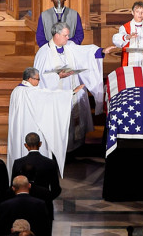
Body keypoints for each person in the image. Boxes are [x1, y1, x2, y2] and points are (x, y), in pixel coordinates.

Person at [33, 23, 116, 153]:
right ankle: (59, 151)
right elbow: (39, 78)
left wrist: (102, 51)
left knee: (74, 123)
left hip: (73, 92)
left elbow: (86, 52)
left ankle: (75, 148)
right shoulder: (44, 52)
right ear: (56, 35)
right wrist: (58, 76)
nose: (68, 38)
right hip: (56, 97)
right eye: (65, 35)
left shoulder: (69, 46)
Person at [7, 68, 76, 179]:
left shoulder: (16, 91)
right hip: (32, 128)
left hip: (19, 130)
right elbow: (51, 96)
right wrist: (71, 93)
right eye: (37, 79)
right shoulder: (31, 92)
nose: (39, 82)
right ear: (29, 79)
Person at [11, 132, 62, 200]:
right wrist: (47, 199)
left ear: (26, 145)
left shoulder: (18, 163)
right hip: (43, 202)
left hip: (23, 204)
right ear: (40, 144)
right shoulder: (50, 163)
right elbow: (56, 189)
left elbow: (13, 186)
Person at [111, 1, 143, 67]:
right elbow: (116, 40)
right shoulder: (125, 28)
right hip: (128, 64)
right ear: (132, 12)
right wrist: (127, 37)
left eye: (142, 12)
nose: (140, 14)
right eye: (137, 12)